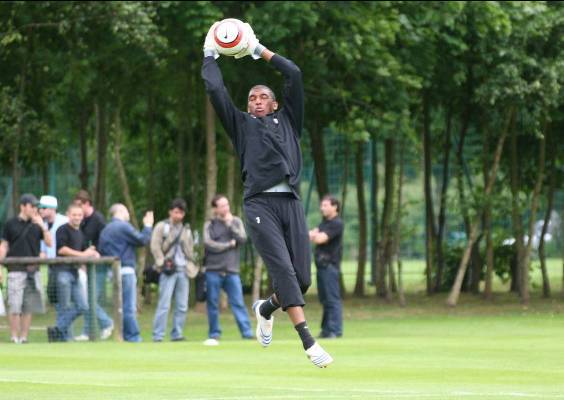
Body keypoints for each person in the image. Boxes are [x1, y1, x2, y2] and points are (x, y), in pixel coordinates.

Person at [201, 21, 333, 367]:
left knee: (302, 279)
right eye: (251, 99)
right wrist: (209, 54)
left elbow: (294, 73)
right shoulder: (241, 125)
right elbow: (216, 91)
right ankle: (308, 341)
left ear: (274, 105)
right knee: (285, 273)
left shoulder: (289, 119)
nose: (256, 101)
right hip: (259, 203)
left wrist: (258, 50)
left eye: (262, 97)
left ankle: (266, 307)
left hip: (289, 201)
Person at [202, 195, 253, 345]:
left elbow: (243, 239)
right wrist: (228, 245)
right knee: (212, 303)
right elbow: (208, 243)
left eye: (227, 205)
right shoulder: (209, 224)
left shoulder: (236, 221)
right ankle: (214, 333)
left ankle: (247, 332)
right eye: (222, 206)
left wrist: (230, 225)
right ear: (215, 208)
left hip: (232, 271)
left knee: (238, 302)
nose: (226, 208)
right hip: (213, 270)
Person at [0, 194, 51, 343]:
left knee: (29, 306)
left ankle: (24, 337)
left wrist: (42, 225)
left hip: (33, 271)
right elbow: (4, 245)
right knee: (15, 305)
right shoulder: (10, 224)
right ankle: (14, 336)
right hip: (15, 270)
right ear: (23, 206)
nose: (35, 209)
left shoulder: (38, 224)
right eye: (32, 206)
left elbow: (49, 243)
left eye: (36, 207)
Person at [99, 204, 153, 342]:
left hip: (113, 272)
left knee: (120, 306)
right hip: (126, 270)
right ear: (121, 211)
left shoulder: (105, 229)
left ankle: (122, 334)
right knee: (129, 306)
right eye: (127, 211)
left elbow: (101, 250)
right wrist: (147, 226)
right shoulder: (123, 226)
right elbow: (142, 240)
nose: (128, 214)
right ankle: (133, 337)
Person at [48, 204, 101, 342]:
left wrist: (93, 253)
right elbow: (62, 250)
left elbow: (85, 251)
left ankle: (57, 330)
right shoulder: (62, 230)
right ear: (68, 215)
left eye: (79, 215)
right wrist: (83, 254)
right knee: (64, 306)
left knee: (83, 306)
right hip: (62, 273)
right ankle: (64, 337)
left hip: (75, 273)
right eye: (74, 214)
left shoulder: (80, 233)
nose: (77, 217)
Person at [150, 198, 197, 342]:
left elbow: (189, 250)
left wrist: (193, 263)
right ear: (170, 212)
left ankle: (177, 333)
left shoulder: (186, 230)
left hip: (183, 269)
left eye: (181, 213)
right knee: (164, 304)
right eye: (176, 212)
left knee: (182, 305)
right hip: (168, 269)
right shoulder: (161, 227)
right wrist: (161, 262)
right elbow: (155, 246)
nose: (178, 215)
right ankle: (158, 335)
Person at [73, 190, 113, 341]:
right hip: (86, 264)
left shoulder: (98, 219)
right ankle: (87, 331)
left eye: (79, 206)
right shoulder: (82, 221)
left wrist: (97, 253)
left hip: (99, 264)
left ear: (87, 204)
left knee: (90, 299)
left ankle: (107, 322)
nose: (77, 210)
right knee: (86, 298)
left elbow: (105, 240)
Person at [309, 195, 344, 339]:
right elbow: (310, 234)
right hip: (321, 266)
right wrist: (313, 234)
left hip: (330, 266)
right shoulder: (325, 223)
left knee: (332, 299)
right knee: (324, 299)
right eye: (321, 205)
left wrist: (314, 235)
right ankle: (326, 330)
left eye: (325, 205)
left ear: (334, 207)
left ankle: (335, 330)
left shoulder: (336, 223)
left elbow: (319, 238)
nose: (322, 208)